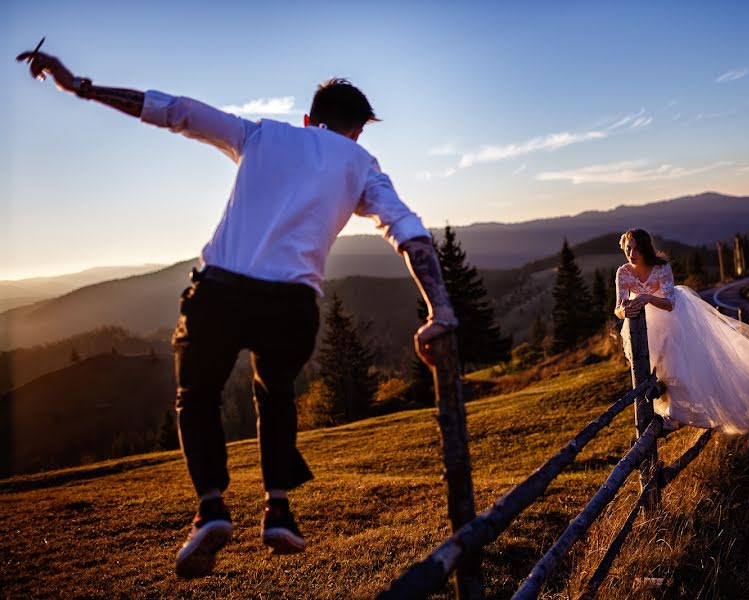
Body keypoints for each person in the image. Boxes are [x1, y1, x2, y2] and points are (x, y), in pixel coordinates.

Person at [18, 46, 459, 578]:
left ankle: (210, 509)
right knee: (275, 396)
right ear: (355, 130)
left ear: (308, 119)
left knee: (196, 396)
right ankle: (278, 509)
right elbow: (409, 232)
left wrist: (81, 87)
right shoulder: (362, 164)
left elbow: (175, 110)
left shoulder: (262, 134)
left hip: (220, 292)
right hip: (292, 305)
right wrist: (439, 310)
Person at [614, 228, 749, 435]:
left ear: (646, 249)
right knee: (650, 371)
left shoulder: (661, 267)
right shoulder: (623, 272)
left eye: (637, 249)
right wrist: (625, 310)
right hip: (644, 325)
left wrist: (647, 298)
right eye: (629, 248)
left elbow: (670, 303)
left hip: (671, 318)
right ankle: (659, 410)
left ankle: (675, 415)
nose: (632, 254)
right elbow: (618, 308)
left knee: (676, 366)